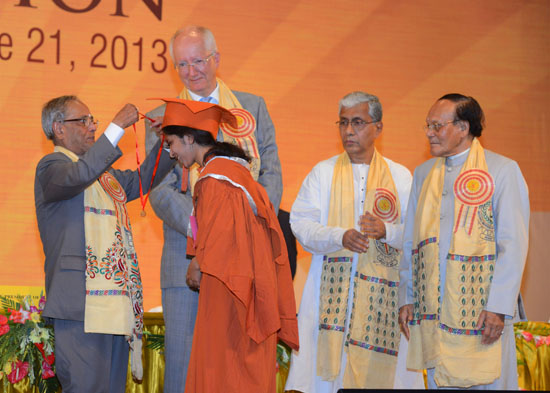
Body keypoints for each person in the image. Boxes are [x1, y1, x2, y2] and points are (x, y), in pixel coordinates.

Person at [143, 24, 283, 392]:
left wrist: (245, 227)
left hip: (247, 257)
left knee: (239, 362)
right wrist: (209, 232)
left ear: (216, 59)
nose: (192, 72)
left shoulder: (251, 107)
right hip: (186, 255)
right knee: (184, 364)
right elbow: (158, 189)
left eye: (198, 61)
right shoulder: (161, 117)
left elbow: (270, 173)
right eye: (182, 65)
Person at [157, 97, 298, 393]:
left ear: (189, 138)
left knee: (224, 373)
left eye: (172, 143)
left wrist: (198, 261)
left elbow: (222, 240)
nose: (170, 152)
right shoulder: (235, 174)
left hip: (231, 292)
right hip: (247, 286)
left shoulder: (216, 180)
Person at [285, 91, 424, 392]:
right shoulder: (322, 173)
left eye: (358, 122)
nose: (348, 131)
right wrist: (340, 236)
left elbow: (418, 234)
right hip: (332, 297)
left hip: (384, 303)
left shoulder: (401, 177)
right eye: (343, 122)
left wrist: (387, 230)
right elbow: (300, 224)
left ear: (378, 127)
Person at [34, 95, 174, 393]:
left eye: (93, 120)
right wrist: (117, 127)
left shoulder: (104, 179)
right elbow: (80, 174)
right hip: (79, 304)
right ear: (58, 129)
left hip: (114, 302)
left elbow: (141, 180)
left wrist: (165, 142)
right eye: (83, 121)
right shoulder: (52, 167)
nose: (92, 127)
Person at [398, 94, 529, 389]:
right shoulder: (423, 174)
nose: (429, 132)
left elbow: (513, 244)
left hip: (485, 315)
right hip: (434, 314)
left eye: (436, 125)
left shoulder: (502, 170)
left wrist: (498, 307)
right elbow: (411, 242)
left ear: (463, 127)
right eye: (427, 125)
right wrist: (407, 298)